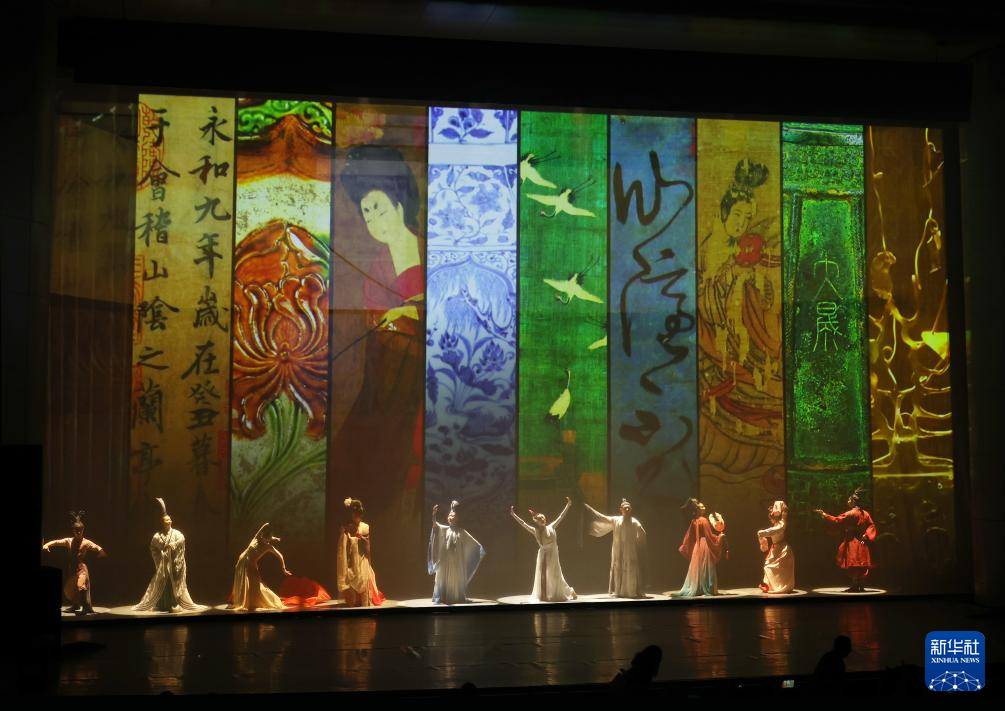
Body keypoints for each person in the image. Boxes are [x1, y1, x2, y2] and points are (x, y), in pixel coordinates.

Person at [329, 144, 425, 577]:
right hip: (384, 374)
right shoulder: (378, 261)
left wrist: (406, 312)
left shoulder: (419, 248)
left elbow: (435, 309)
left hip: (415, 378)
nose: (374, 220)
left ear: (399, 202)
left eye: (379, 208)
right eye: (366, 213)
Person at [133, 498, 201, 612]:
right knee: (162, 584)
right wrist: (160, 556)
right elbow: (153, 547)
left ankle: (175, 604)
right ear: (162, 522)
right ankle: (162, 604)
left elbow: (181, 541)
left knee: (174, 584)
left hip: (174, 565)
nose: (169, 521)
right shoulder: (157, 536)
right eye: (166, 520)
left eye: (170, 519)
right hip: (164, 566)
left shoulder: (177, 533)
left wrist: (173, 545)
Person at [510, 496, 577, 602]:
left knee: (555, 575)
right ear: (536, 521)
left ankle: (569, 591)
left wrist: (568, 505)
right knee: (544, 576)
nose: (542, 519)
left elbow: (561, 516)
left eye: (543, 518)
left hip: (553, 554)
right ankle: (545, 595)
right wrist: (513, 515)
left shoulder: (551, 527)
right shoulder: (535, 531)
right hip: (543, 554)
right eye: (540, 518)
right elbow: (523, 523)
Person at [42, 511, 107, 614]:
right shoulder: (69, 541)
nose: (78, 533)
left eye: (80, 530)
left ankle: (85, 608)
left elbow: (96, 547)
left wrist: (101, 552)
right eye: (76, 530)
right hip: (72, 567)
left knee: (81, 586)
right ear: (73, 530)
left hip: (81, 568)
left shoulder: (86, 542)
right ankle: (75, 605)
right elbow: (56, 541)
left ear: (83, 530)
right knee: (73, 588)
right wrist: (47, 545)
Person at [814, 487, 877, 592]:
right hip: (862, 541)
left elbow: (837, 520)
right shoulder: (865, 513)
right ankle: (861, 584)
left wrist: (824, 515)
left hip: (852, 540)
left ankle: (855, 585)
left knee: (853, 562)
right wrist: (866, 534)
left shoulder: (850, 513)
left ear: (853, 501)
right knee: (861, 561)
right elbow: (872, 525)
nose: (847, 501)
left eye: (849, 499)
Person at [584, 499, 647, 599]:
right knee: (618, 567)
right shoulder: (616, 520)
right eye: (625, 508)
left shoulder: (635, 522)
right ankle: (618, 590)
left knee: (630, 568)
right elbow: (602, 518)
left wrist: (637, 543)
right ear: (621, 509)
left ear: (631, 509)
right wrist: (590, 509)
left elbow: (642, 534)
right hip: (618, 548)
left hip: (629, 549)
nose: (627, 510)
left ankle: (630, 591)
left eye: (628, 508)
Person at [428, 500, 485, 604]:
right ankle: (444, 595)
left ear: (457, 518)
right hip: (445, 559)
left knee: (455, 577)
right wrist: (434, 515)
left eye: (453, 515)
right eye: (449, 515)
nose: (450, 517)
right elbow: (435, 525)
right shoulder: (444, 529)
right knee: (443, 576)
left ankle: (455, 596)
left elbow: (472, 542)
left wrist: (479, 548)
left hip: (456, 560)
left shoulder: (461, 531)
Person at [228, 523, 291, 612]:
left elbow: (280, 555)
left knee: (255, 584)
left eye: (266, 539)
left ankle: (254, 601)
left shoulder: (268, 547)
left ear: (268, 539)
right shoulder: (257, 538)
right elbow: (264, 527)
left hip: (251, 564)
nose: (263, 539)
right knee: (245, 582)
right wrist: (268, 527)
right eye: (263, 537)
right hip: (242, 562)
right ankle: (242, 600)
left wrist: (283, 568)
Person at [672, 498, 726, 597]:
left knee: (699, 567)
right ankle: (708, 587)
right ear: (698, 509)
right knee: (707, 567)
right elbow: (709, 536)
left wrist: (685, 546)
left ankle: (699, 587)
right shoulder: (704, 520)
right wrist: (719, 537)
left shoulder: (694, 521)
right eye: (702, 507)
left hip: (697, 547)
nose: (704, 507)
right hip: (705, 545)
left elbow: (689, 536)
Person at [336, 497, 385, 607]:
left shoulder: (365, 527)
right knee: (351, 581)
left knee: (363, 579)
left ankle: (364, 601)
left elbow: (367, 545)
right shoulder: (347, 527)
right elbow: (343, 546)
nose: (357, 517)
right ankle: (352, 600)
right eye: (355, 514)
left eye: (359, 514)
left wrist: (369, 560)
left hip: (361, 557)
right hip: (351, 559)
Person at [756, 500, 795, 593]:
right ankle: (769, 585)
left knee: (776, 568)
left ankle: (780, 586)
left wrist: (761, 533)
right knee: (768, 565)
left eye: (771, 518)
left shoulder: (781, 524)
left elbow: (773, 531)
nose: (771, 520)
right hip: (776, 548)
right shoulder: (777, 524)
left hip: (782, 550)